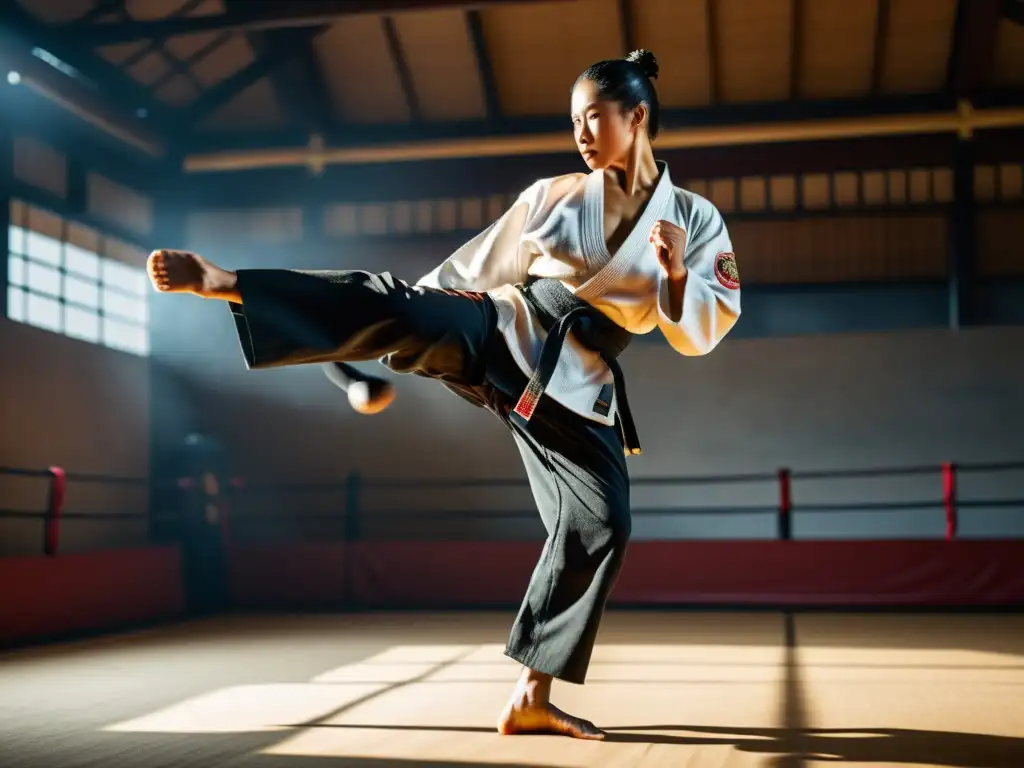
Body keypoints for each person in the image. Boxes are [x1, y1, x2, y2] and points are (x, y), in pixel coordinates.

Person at [147, 49, 741, 739]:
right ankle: (235, 285)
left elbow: (703, 328)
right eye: (573, 120)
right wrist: (371, 340)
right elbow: (465, 272)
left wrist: (672, 275)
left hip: (581, 384)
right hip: (507, 329)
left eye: (594, 117)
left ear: (637, 117)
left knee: (601, 524)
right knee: (412, 306)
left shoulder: (694, 222)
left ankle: (531, 695)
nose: (580, 132)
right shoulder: (551, 197)